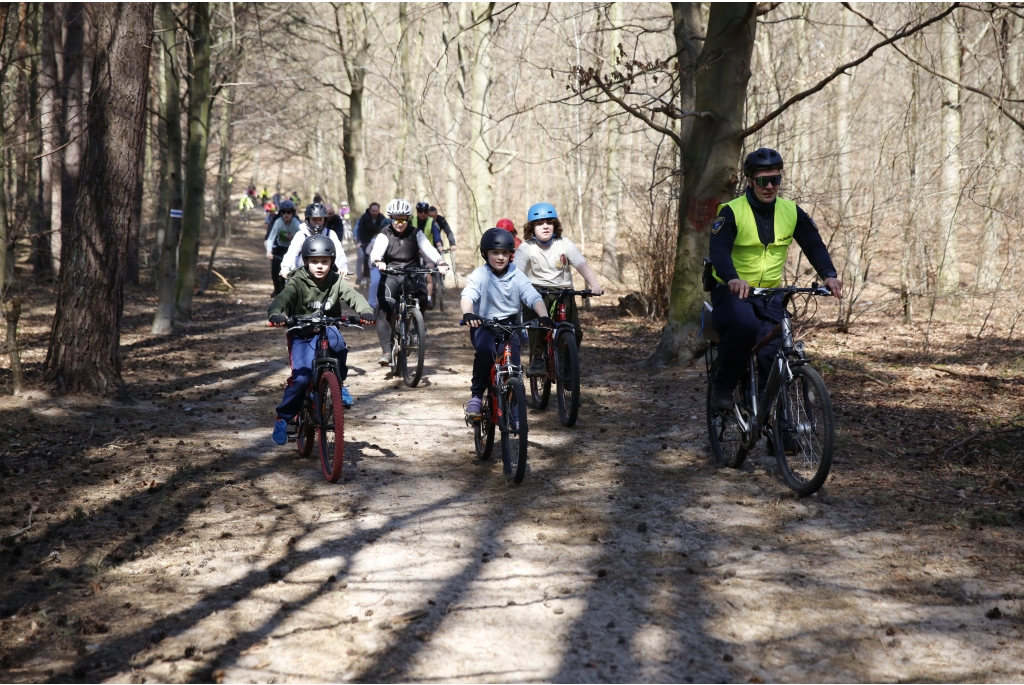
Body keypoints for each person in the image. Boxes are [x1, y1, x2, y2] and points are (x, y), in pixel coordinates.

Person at [708, 147, 843, 411]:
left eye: (775, 180)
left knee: (775, 349)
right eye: (762, 180)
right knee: (745, 327)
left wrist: (829, 275)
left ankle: (772, 419)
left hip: (770, 294)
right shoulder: (731, 211)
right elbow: (719, 250)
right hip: (732, 290)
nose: (769, 186)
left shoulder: (790, 211)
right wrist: (732, 278)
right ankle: (723, 385)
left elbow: (813, 244)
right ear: (750, 181)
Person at [268, 235, 375, 445]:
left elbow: (354, 296)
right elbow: (283, 298)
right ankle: (283, 418)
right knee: (301, 379)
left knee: (339, 347)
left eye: (324, 262)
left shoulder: (335, 280)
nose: (319, 266)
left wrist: (366, 311)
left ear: (332, 262)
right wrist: (275, 314)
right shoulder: (297, 280)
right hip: (302, 332)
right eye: (314, 261)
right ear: (306, 261)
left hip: (328, 327)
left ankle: (338, 385)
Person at [461, 228, 554, 417]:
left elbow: (532, 296)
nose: (500, 257)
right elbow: (468, 295)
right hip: (484, 325)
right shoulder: (480, 274)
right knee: (485, 352)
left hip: (511, 326)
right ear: (485, 254)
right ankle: (477, 396)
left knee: (514, 368)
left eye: (504, 253)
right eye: (495, 252)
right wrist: (468, 313)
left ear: (511, 254)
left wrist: (543, 316)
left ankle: (513, 407)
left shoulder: (516, 274)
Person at [513, 202, 604, 376]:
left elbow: (581, 265)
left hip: (564, 291)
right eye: (539, 223)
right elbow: (516, 272)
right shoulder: (526, 247)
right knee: (538, 324)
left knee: (575, 332)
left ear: (555, 225)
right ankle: (537, 357)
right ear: (532, 227)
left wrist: (594, 285)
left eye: (549, 222)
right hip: (537, 291)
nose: (545, 226)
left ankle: (569, 364)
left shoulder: (564, 244)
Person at [369, 198, 449, 365]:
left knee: (423, 297)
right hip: (391, 273)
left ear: (408, 218)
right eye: (395, 220)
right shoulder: (385, 234)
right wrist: (378, 261)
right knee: (383, 308)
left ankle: (417, 323)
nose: (399, 223)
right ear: (390, 218)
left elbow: (428, 249)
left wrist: (440, 261)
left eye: (403, 220)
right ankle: (386, 351)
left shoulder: (416, 233)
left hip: (412, 273)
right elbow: (376, 251)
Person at [279, 202, 349, 279]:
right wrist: (285, 267)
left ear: (324, 220)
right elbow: (291, 253)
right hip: (302, 276)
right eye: (314, 219)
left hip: (325, 276)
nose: (317, 222)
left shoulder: (330, 234)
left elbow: (339, 252)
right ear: (308, 219)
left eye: (320, 219)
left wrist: (343, 267)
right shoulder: (301, 235)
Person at [264, 200, 301, 297]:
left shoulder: (296, 224)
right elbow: (271, 237)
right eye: (284, 212)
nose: (286, 214)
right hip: (280, 248)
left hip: (292, 248)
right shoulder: (278, 222)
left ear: (293, 213)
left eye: (289, 212)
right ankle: (277, 290)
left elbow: (303, 237)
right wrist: (269, 251)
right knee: (275, 267)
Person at [411, 201, 440, 307]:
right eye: (420, 211)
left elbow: (437, 235)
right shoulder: (412, 220)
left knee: (429, 275)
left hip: (428, 251)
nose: (422, 214)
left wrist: (439, 245)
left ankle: (428, 299)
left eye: (425, 212)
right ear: (417, 212)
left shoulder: (432, 222)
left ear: (428, 212)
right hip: (414, 250)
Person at [355, 202, 390, 287]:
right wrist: (359, 241)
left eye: (376, 211)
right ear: (370, 210)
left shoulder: (382, 218)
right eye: (373, 211)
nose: (375, 213)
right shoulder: (364, 217)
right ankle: (363, 276)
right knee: (364, 256)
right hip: (365, 241)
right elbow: (359, 230)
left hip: (378, 240)